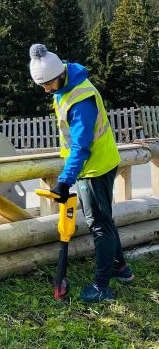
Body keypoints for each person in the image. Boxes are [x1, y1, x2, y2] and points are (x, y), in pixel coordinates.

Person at [29, 43, 134, 302]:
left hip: (96, 167)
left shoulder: (81, 99)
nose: (46, 89)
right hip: (91, 164)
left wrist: (65, 180)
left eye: (48, 84)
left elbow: (81, 145)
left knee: (98, 224)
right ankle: (120, 268)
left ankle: (102, 287)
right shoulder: (64, 86)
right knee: (104, 219)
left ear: (60, 75)